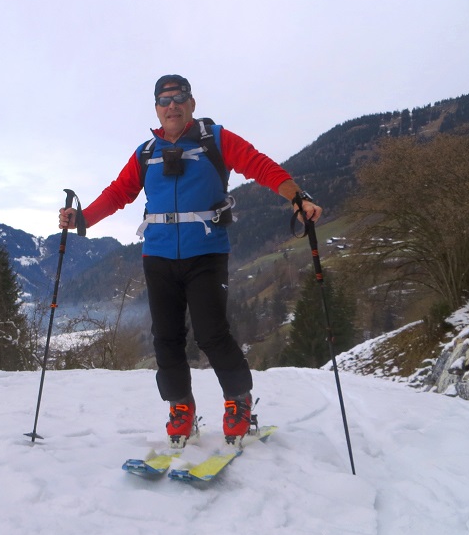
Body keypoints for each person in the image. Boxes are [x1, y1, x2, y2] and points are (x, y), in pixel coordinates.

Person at [59, 75, 322, 448]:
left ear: (192, 104)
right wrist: (83, 219)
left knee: (212, 333)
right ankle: (180, 408)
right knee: (165, 339)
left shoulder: (216, 139)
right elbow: (119, 193)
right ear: (156, 109)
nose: (172, 105)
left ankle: (239, 402)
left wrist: (298, 198)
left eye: (179, 97)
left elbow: (260, 166)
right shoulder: (145, 152)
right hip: (158, 256)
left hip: (207, 254)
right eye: (164, 100)